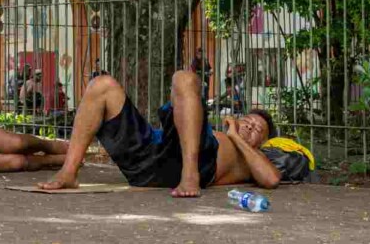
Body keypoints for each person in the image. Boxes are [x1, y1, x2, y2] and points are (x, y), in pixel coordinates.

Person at [38, 71, 282, 197]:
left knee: (184, 77)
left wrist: (236, 136)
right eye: (247, 121)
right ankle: (69, 171)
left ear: (263, 142)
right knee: (101, 84)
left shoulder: (250, 158)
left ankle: (189, 173)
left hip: (195, 165)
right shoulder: (209, 132)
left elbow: (271, 179)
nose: (250, 126)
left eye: (257, 129)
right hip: (148, 158)